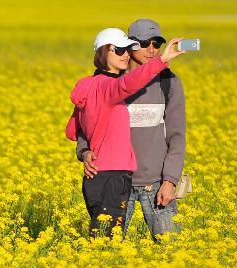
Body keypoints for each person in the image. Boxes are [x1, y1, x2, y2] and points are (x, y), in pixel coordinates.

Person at [65, 28, 185, 238]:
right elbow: (127, 84)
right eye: (120, 50)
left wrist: (86, 151)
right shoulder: (112, 87)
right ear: (105, 52)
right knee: (107, 245)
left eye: (127, 50)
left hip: (97, 177)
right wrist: (163, 59)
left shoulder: (86, 85)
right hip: (116, 177)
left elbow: (72, 130)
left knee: (103, 242)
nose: (126, 54)